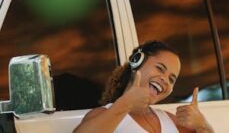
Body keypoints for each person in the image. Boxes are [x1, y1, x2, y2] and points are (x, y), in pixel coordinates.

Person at [74, 41, 214, 133]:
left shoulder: (171, 120)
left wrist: (203, 125)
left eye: (171, 79)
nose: (164, 79)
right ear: (136, 62)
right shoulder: (102, 115)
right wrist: (127, 102)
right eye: (160, 68)